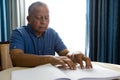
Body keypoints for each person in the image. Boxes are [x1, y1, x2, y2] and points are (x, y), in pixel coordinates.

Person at [10, 1, 92, 70]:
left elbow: (65, 53)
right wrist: (49, 59)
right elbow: (16, 58)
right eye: (39, 18)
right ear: (28, 19)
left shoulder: (52, 33)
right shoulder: (19, 33)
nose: (43, 22)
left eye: (46, 17)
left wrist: (74, 55)